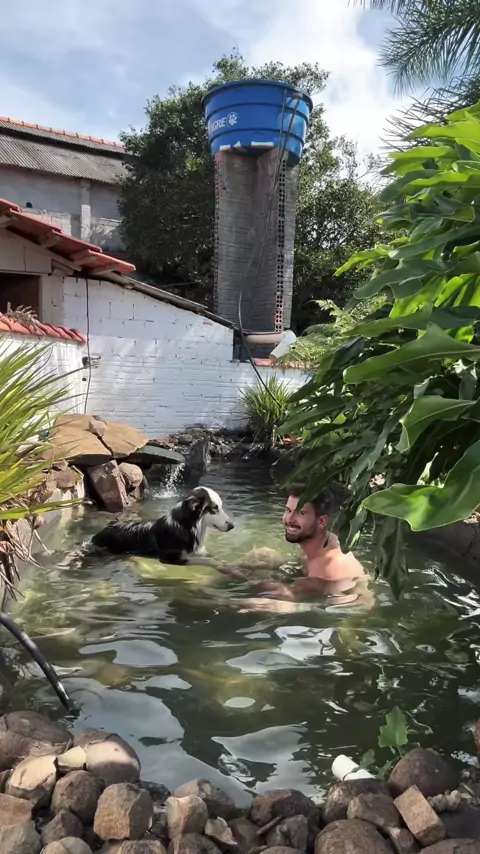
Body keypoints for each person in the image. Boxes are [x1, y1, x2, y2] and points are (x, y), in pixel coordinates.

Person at [214, 484, 370, 608]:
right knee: (264, 554)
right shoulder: (322, 541)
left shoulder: (328, 566)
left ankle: (208, 597)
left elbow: (283, 593)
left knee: (266, 605)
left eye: (300, 513)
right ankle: (214, 579)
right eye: (288, 510)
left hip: (342, 611)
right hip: (313, 583)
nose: (289, 519)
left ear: (322, 521)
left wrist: (239, 576)